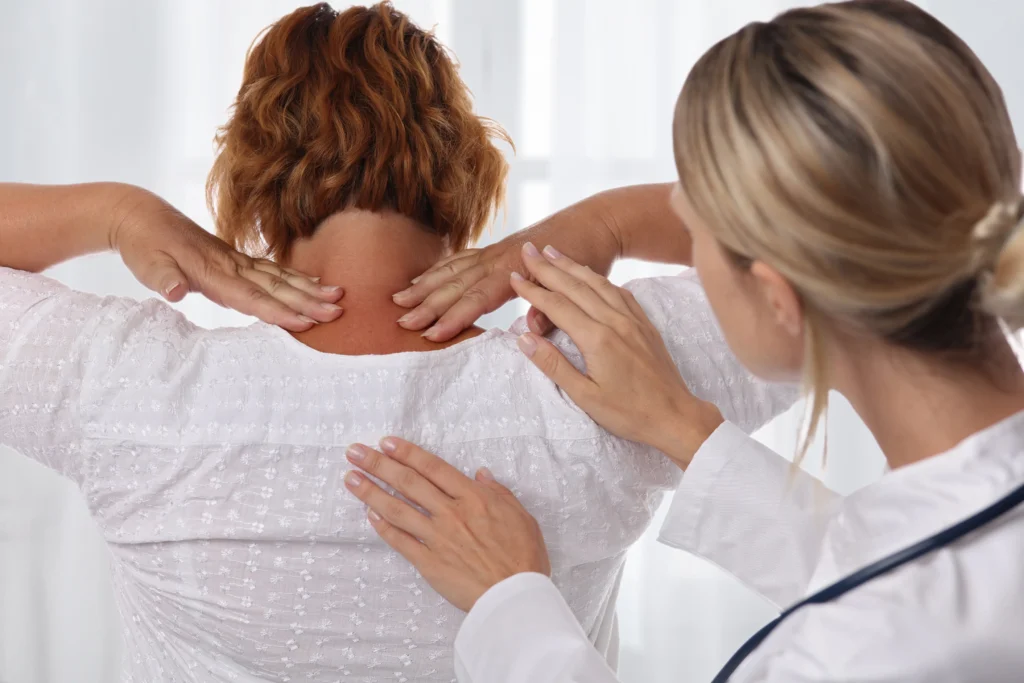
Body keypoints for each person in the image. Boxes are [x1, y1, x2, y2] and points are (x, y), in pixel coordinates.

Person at [0, 3, 792, 682]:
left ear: (250, 190)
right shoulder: (601, 368)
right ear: (467, 178)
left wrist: (114, 212)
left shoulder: (131, 393)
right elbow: (857, 262)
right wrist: (604, 223)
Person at [342, 1, 1024, 681]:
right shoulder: (948, 573)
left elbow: (896, 605)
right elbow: (906, 562)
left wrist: (511, 601)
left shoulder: (857, 652)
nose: (682, 249)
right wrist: (680, 423)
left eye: (694, 234)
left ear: (779, 296)